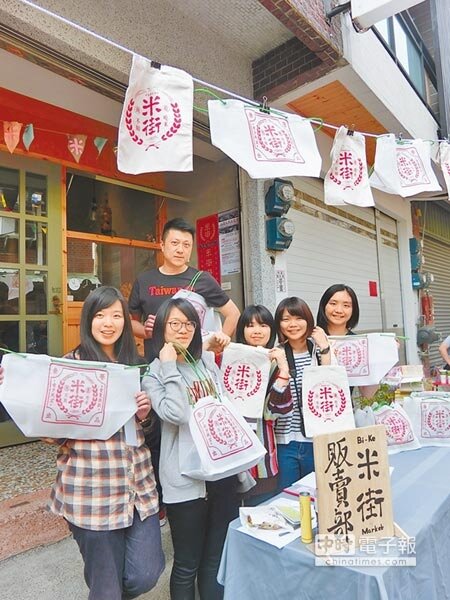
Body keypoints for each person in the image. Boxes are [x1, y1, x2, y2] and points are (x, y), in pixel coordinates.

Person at [0, 287, 165, 600]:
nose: (108, 323)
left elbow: (154, 435)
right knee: (106, 588)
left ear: (126, 322)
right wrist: (12, 387)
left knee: (145, 574)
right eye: (100, 315)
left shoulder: (137, 366)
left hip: (138, 489)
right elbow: (50, 430)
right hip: (90, 493)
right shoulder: (68, 367)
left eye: (116, 316)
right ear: (88, 320)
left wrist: (145, 417)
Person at [129, 217, 240, 526]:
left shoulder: (202, 279)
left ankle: (199, 492)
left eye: (186, 245)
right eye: (174, 243)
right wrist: (145, 330)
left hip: (193, 372)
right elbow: (131, 322)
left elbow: (232, 313)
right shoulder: (144, 280)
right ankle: (164, 502)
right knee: (157, 437)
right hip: (158, 371)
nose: (180, 249)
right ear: (162, 245)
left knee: (195, 430)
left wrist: (218, 343)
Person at [142, 297, 239, 600]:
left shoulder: (206, 363)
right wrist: (169, 366)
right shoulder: (153, 375)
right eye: (174, 323)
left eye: (189, 324)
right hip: (185, 482)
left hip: (220, 473)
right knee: (186, 564)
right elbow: (177, 414)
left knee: (214, 559)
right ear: (161, 328)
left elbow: (224, 406)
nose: (182, 329)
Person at [235, 305, 292, 504]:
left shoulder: (275, 364)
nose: (257, 330)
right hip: (232, 456)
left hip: (262, 459)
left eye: (263, 325)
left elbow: (274, 412)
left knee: (261, 514)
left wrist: (283, 369)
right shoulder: (229, 361)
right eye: (250, 325)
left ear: (272, 330)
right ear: (241, 330)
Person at [274, 297, 331, 491]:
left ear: (308, 320)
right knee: (288, 498)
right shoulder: (276, 354)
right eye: (286, 319)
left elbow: (330, 385)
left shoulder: (320, 349)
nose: (293, 324)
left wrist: (325, 348)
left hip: (317, 439)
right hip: (285, 441)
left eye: (298, 318)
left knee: (320, 495)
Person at [316, 283, 378, 398]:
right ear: (323, 305)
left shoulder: (358, 343)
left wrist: (382, 357)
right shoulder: (311, 338)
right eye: (333, 303)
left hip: (344, 408)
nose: (339, 310)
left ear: (353, 310)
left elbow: (367, 394)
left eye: (346, 305)